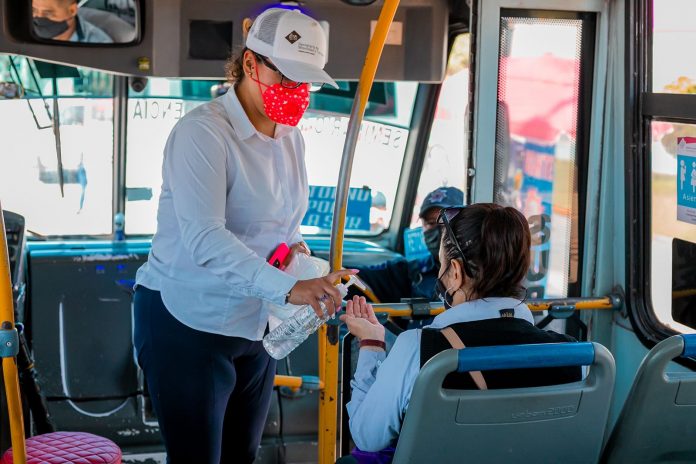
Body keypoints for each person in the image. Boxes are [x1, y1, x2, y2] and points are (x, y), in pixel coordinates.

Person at [132, 8, 355, 464]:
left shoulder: (291, 137)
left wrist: (299, 260)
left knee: (242, 456)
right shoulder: (203, 133)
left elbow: (282, 226)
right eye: (287, 76)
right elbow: (205, 239)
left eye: (305, 81)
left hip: (254, 323)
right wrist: (290, 287)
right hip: (187, 319)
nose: (297, 92)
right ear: (250, 64)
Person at [339, 203, 582, 461]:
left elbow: (368, 436)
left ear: (455, 272)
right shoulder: (575, 357)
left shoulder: (420, 349)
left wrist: (371, 344)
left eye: (443, 265)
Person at [355, 187, 464, 303]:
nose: (439, 229)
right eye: (431, 223)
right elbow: (365, 276)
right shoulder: (411, 272)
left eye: (446, 221)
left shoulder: (480, 272)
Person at [32, 0, 113, 43]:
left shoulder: (98, 46)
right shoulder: (26, 32)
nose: (38, 18)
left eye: (48, 13)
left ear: (72, 10)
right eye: (34, 10)